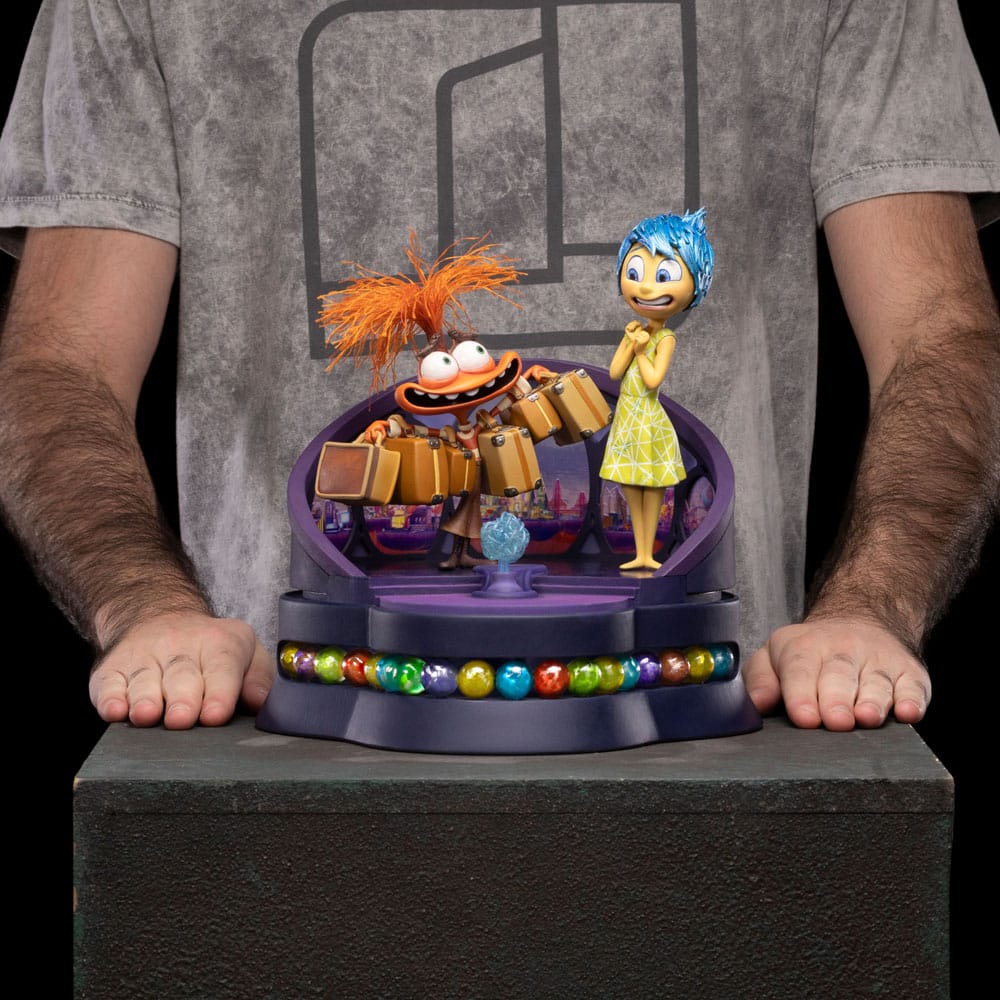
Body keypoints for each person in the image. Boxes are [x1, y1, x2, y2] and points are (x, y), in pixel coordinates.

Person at [0, 0, 998, 735]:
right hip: (286, 747)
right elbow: (65, 362)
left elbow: (936, 330)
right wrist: (149, 609)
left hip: (701, 742)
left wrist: (869, 610)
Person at [599, 210, 714, 570]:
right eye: (635, 273)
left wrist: (639, 349)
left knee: (652, 487)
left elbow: (652, 381)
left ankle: (648, 553)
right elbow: (614, 373)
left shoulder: (665, 338)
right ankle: (640, 552)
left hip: (648, 420)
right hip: (627, 417)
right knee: (630, 487)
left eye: (663, 276)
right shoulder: (636, 331)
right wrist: (627, 343)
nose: (646, 288)